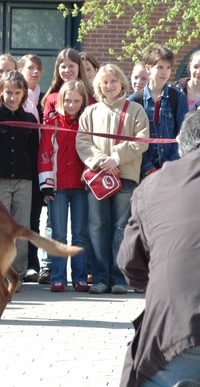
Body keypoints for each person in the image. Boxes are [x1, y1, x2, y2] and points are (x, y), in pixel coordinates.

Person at [118, 110, 200, 386]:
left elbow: (130, 263)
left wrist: (156, 282)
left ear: (180, 143)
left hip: (178, 328)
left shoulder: (153, 185)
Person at [76, 64, 149, 295]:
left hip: (125, 177)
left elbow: (142, 140)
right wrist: (101, 161)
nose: (109, 86)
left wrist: (116, 159)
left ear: (122, 83)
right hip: (98, 177)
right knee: (97, 227)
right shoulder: (90, 112)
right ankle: (99, 278)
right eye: (105, 82)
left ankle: (119, 278)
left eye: (113, 81)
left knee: (120, 229)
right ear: (98, 86)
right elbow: (82, 142)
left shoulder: (135, 109)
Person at [0, 70, 39, 292]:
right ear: (1, 93)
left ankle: (16, 276)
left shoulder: (30, 120)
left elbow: (34, 155)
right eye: (8, 92)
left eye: (17, 93)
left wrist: (37, 187)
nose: (12, 97)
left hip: (24, 181)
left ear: (24, 95)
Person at [38, 80, 89, 292]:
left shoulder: (87, 122)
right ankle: (57, 277)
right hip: (57, 186)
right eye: (67, 100)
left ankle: (79, 277)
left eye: (76, 100)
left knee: (80, 234)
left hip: (81, 186)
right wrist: (46, 185)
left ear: (83, 101)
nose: (71, 104)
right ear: (60, 100)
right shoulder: (53, 122)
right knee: (58, 234)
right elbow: (44, 153)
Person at [128, 45, 188, 179]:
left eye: (168, 67)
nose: (165, 72)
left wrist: (170, 166)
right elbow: (132, 138)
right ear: (148, 69)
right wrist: (148, 169)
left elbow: (183, 134)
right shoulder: (134, 100)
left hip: (172, 170)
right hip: (142, 171)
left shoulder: (178, 97)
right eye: (160, 67)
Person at [18, 54, 46, 283]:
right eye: (30, 68)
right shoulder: (17, 99)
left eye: (38, 68)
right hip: (22, 166)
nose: (35, 72)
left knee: (34, 217)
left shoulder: (43, 100)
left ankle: (32, 264)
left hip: (42, 165)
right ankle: (18, 264)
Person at [42, 48, 95, 121]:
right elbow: (46, 128)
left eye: (71, 66)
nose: (67, 70)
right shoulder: (52, 98)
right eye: (63, 67)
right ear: (58, 69)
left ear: (79, 67)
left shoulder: (90, 98)